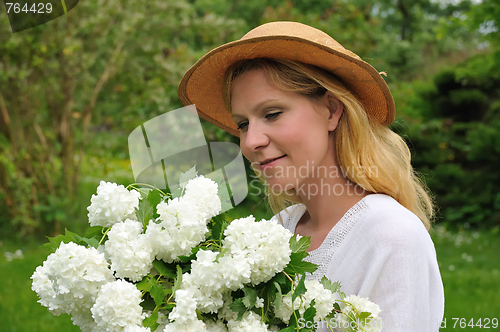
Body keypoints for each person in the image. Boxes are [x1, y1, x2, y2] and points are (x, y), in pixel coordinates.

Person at [178, 21, 444, 331]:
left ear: (331, 110)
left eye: (272, 114)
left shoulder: (391, 238)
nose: (251, 142)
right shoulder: (276, 231)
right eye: (243, 124)